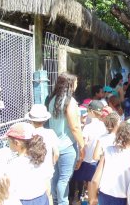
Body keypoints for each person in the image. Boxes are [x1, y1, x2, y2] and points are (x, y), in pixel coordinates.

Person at [88, 118, 130, 205]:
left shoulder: (108, 150)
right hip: (124, 200)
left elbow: (95, 180)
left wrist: (93, 199)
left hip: (104, 196)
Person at [47, 72, 85, 205]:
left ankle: (57, 201)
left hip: (55, 146)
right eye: (75, 82)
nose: (77, 85)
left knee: (56, 178)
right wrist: (82, 146)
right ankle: (62, 202)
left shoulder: (52, 100)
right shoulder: (70, 102)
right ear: (70, 84)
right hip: (68, 146)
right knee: (64, 179)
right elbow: (74, 127)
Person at [2, 122, 49, 205]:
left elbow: (9, 192)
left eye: (8, 141)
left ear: (17, 143)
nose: (8, 143)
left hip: (24, 201)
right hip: (42, 197)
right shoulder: (40, 157)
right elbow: (47, 179)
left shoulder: (14, 164)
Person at [69, 100, 107, 203]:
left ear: (91, 111)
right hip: (98, 162)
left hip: (86, 161)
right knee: (94, 189)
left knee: (83, 187)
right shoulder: (104, 127)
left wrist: (79, 160)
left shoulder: (88, 127)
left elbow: (83, 145)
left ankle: (77, 200)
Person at [25, 104, 59, 205]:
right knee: (48, 195)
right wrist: (52, 163)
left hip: (31, 169)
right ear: (45, 120)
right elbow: (56, 153)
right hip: (46, 169)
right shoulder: (51, 133)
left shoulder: (28, 133)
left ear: (31, 119)